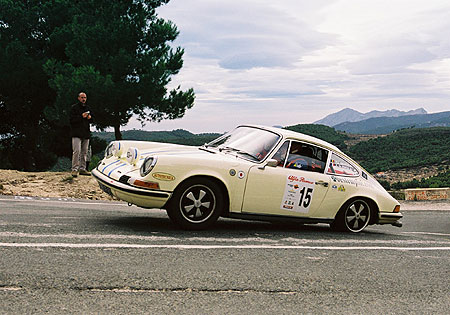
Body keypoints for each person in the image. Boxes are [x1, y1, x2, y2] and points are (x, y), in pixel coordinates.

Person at [70, 92, 93, 177]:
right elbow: (71, 120)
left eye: (85, 97)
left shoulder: (88, 108)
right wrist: (81, 116)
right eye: (82, 97)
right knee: (77, 151)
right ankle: (74, 169)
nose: (83, 99)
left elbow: (92, 120)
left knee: (84, 152)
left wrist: (89, 118)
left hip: (86, 133)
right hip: (76, 133)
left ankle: (83, 169)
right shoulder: (74, 108)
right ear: (78, 98)